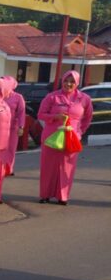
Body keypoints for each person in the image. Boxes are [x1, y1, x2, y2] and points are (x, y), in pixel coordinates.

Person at [38, 70, 93, 205]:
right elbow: (41, 115)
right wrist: (55, 117)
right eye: (66, 81)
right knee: (48, 167)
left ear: (77, 83)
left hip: (71, 138)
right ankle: (45, 194)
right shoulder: (52, 97)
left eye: (72, 82)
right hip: (51, 138)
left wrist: (79, 132)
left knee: (67, 168)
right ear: (62, 81)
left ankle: (62, 196)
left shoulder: (84, 99)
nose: (68, 84)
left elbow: (87, 118)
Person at [4, 76, 26, 176]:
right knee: (0, 148)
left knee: (11, 149)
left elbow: (21, 112)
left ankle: (8, 169)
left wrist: (21, 126)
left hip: (13, 127)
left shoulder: (18, 97)